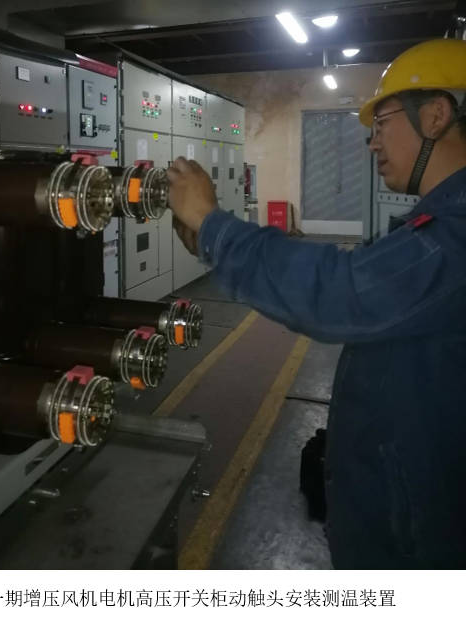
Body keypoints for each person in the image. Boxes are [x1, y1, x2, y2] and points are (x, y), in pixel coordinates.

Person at [167, 38, 466, 569]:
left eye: (382, 124)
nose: (372, 143)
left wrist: (215, 227)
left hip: (420, 536)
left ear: (436, 116)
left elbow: (340, 293)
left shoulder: (455, 234)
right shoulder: (439, 222)